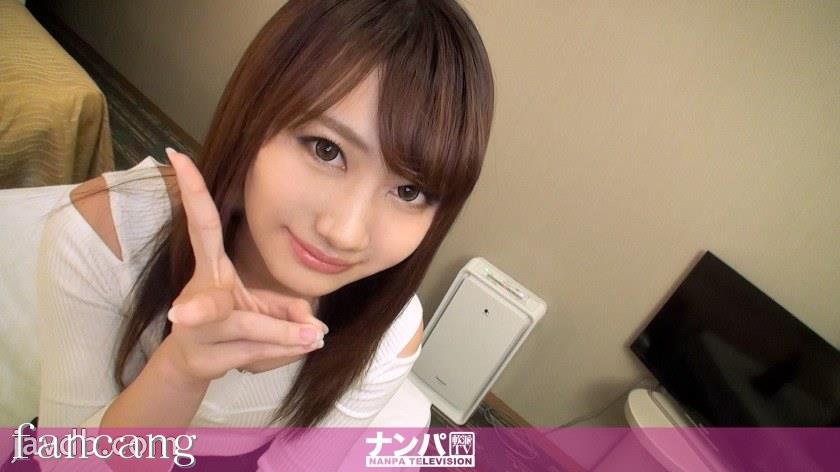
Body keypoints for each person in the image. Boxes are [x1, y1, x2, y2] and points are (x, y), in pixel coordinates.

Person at [35, 0, 493, 469]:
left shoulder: (389, 334)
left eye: (409, 191)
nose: (345, 233)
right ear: (252, 119)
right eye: (326, 149)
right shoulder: (104, 238)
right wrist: (180, 370)